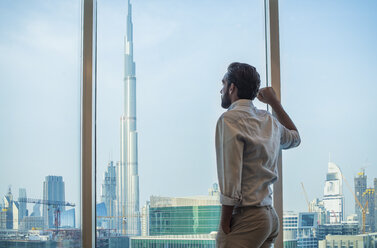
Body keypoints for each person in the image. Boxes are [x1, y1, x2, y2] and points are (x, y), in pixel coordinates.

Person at [215, 62, 301, 248]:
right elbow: (295, 137)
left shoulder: (229, 120)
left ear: (232, 87)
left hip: (247, 217)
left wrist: (224, 223)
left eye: (223, 84)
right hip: (269, 219)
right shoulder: (268, 120)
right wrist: (274, 102)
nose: (220, 90)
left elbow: (230, 176)